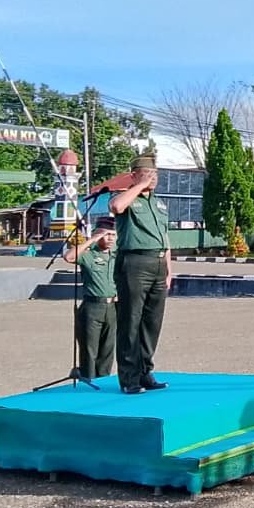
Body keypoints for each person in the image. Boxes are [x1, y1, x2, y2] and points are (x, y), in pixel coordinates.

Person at [109, 153, 172, 395]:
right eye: (147, 174)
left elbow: (165, 238)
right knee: (131, 322)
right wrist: (139, 186)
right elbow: (116, 206)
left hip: (158, 263)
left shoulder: (159, 204)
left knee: (151, 323)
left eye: (154, 174)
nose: (152, 178)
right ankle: (129, 378)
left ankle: (145, 372)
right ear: (134, 175)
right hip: (134, 263)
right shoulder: (127, 198)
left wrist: (168, 270)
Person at [63, 216, 119, 380]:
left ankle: (103, 381)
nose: (110, 239)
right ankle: (88, 382)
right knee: (89, 349)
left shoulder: (117, 256)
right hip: (93, 307)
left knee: (107, 350)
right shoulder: (89, 255)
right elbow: (69, 257)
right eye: (107, 235)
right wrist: (92, 239)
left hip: (112, 307)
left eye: (113, 235)